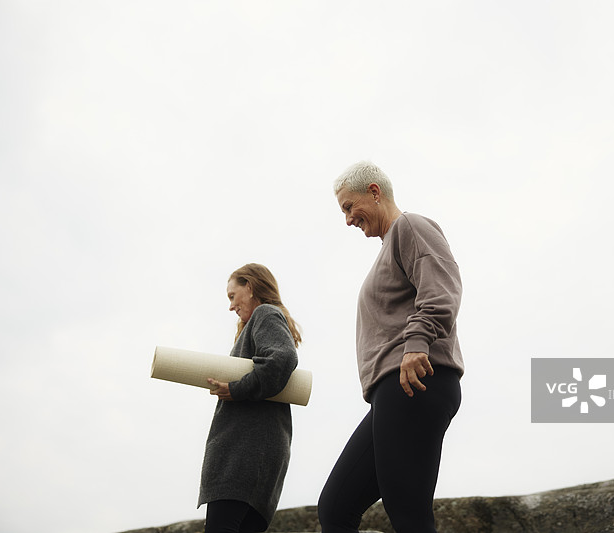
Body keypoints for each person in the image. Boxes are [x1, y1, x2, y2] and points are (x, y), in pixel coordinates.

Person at [318, 162, 465, 533]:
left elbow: (442, 290)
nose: (348, 219)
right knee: (335, 507)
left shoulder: (410, 227)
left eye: (350, 207)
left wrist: (417, 342)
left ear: (374, 191)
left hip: (417, 378)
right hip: (394, 391)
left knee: (409, 514)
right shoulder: (389, 248)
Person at [199, 263, 302, 533]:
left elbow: (282, 359)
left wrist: (236, 389)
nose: (231, 306)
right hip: (255, 460)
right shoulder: (261, 322)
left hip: (243, 458)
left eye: (233, 296)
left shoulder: (266, 314)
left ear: (251, 287)